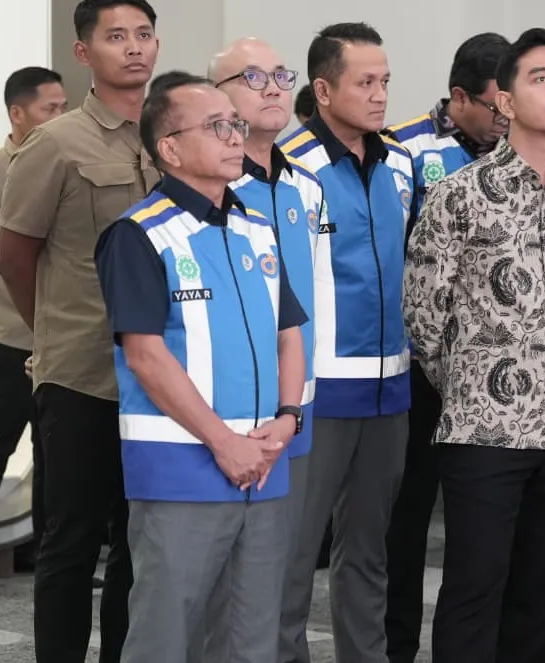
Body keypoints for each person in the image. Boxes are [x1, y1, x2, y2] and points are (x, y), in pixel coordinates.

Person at [406, 28, 545, 663]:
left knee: (539, 598)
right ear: (507, 101)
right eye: (540, 79)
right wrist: (471, 381)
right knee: (474, 591)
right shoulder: (460, 194)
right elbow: (423, 315)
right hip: (483, 430)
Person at [94, 71, 307, 663]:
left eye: (235, 123)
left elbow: (290, 334)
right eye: (217, 126)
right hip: (182, 468)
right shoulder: (140, 235)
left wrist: (288, 419)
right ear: (170, 148)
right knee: (165, 637)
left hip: (263, 466)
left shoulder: (256, 228)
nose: (236, 135)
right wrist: (223, 442)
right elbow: (145, 355)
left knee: (250, 640)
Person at [0, 0, 161, 662]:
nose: (134, 48)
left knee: (139, 543)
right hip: (81, 376)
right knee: (69, 542)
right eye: (116, 36)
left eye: (143, 34)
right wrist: (55, 333)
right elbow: (15, 256)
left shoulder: (171, 135)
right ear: (84, 51)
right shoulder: (56, 143)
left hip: (161, 378)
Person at [279, 23, 414, 663]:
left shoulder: (400, 164)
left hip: (390, 387)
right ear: (325, 90)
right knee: (293, 554)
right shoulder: (287, 169)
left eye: (385, 81)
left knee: (367, 551)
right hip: (318, 390)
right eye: (366, 82)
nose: (380, 94)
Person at [382, 30, 510, 663]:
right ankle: (396, 647)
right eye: (495, 106)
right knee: (405, 521)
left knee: (483, 528)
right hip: (419, 369)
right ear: (459, 97)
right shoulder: (404, 150)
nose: (506, 119)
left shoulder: (520, 153)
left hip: (493, 376)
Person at [208, 38, 324, 660]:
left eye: (280, 74)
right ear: (217, 97)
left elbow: (313, 299)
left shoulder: (306, 184)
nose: (274, 86)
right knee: (221, 579)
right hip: (225, 407)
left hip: (295, 400)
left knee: (284, 566)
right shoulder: (209, 188)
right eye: (253, 77)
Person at [0, 68, 66, 553]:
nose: (60, 117)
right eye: (49, 109)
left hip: (61, 342)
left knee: (55, 458)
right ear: (17, 113)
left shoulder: (67, 163)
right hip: (8, 338)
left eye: (64, 108)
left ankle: (46, 557)